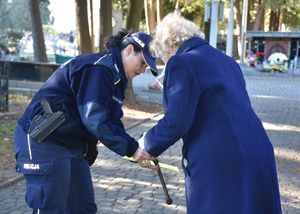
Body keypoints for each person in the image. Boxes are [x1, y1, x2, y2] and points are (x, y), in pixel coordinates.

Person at [138, 13, 282, 213]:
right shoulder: (226, 60)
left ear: (170, 45)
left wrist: (145, 144)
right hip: (258, 148)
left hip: (222, 159)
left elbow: (176, 121)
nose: (164, 61)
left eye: (162, 55)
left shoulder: (181, 62)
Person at [13, 29, 157, 213]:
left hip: (71, 144)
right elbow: (94, 118)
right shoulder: (99, 69)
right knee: (51, 208)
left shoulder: (116, 77)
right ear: (129, 50)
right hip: (42, 139)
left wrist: (134, 151)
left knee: (83, 207)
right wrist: (131, 149)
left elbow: (111, 119)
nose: (142, 70)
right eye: (142, 62)